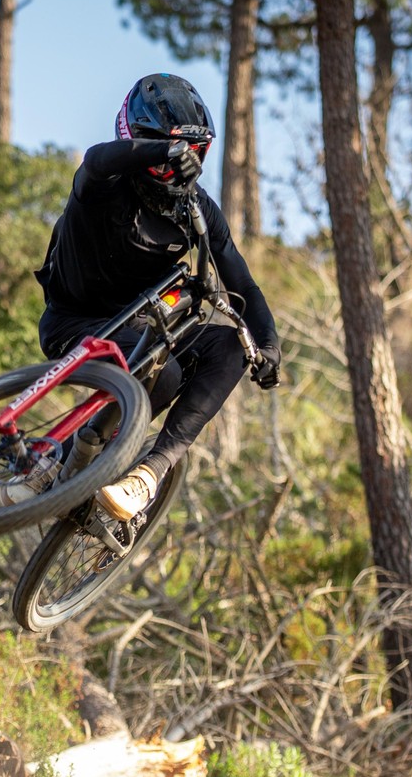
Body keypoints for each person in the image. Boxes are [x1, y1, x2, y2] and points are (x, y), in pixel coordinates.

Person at [34, 73, 281, 520]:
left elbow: (243, 286)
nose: (185, 163)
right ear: (139, 141)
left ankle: (147, 474)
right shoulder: (104, 185)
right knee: (161, 375)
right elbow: (95, 160)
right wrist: (163, 151)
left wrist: (268, 343)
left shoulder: (197, 209)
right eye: (177, 152)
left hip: (135, 331)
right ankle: (57, 458)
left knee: (228, 345)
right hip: (72, 324)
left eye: (195, 152)